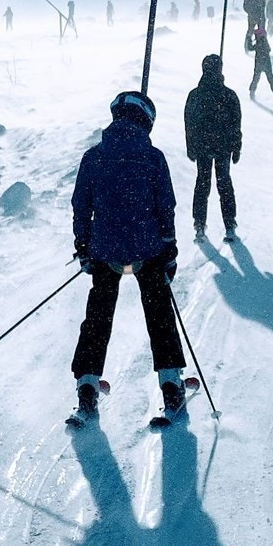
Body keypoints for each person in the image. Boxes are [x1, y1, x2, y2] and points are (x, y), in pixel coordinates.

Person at [68, 92, 186, 427]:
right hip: (147, 250)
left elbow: (81, 205)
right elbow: (166, 207)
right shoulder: (153, 157)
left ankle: (87, 387)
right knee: (159, 312)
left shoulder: (95, 156)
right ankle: (170, 383)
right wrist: (169, 249)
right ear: (146, 121)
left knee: (98, 316)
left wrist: (83, 245)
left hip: (105, 251)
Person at [184, 54, 242, 244]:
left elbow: (189, 123)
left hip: (203, 146)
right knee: (224, 183)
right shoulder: (229, 95)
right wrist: (236, 146)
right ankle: (229, 224)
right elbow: (236, 123)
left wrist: (191, 146)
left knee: (203, 183)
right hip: (222, 146)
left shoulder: (195, 95)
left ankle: (199, 224)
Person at [249, 23, 273, 100]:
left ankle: (252, 92)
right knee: (270, 78)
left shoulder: (259, 42)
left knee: (256, 78)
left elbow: (250, 48)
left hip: (259, 63)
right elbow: (269, 49)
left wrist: (249, 38)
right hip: (267, 63)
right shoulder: (264, 41)